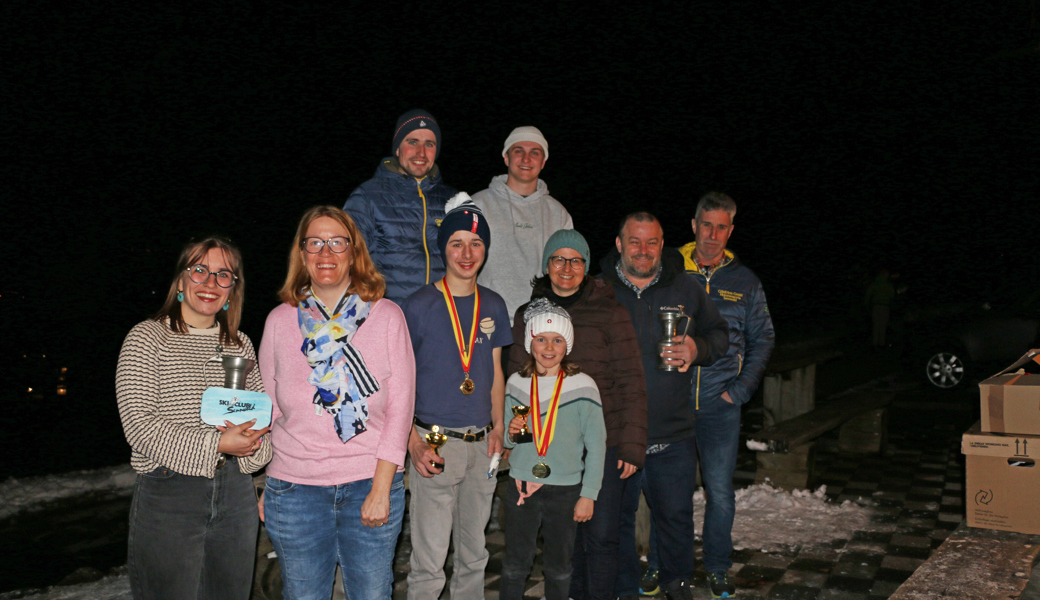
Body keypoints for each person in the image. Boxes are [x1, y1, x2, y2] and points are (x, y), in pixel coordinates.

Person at [258, 206, 416, 600]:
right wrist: (266, 483)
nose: (325, 253)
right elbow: (269, 408)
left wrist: (382, 487)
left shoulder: (387, 316)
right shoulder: (279, 321)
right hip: (294, 490)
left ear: (353, 252)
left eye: (336, 242)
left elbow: (401, 406)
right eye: (315, 242)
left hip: (369, 482)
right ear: (302, 253)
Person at [116, 236, 271, 600]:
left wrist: (254, 448)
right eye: (199, 270)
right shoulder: (147, 338)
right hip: (169, 492)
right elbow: (138, 424)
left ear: (233, 289)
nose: (210, 283)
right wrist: (216, 442)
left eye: (223, 275)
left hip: (236, 494)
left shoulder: (241, 344)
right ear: (181, 281)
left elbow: (262, 416)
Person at [507, 229, 646, 600]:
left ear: (587, 266)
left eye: (576, 260)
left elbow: (632, 378)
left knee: (600, 536)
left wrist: (632, 445)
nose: (566, 268)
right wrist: (518, 440)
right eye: (558, 259)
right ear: (546, 265)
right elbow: (517, 383)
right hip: (548, 448)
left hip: (606, 441)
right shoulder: (527, 315)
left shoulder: (610, 312)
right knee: (560, 545)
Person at [604, 212, 729, 600]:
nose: (643, 250)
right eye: (635, 241)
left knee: (675, 520)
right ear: (620, 244)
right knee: (616, 524)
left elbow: (720, 335)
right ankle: (623, 589)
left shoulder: (687, 289)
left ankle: (678, 586)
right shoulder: (598, 289)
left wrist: (697, 348)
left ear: (663, 245)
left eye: (652, 242)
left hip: (673, 432)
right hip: (617, 434)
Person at [400, 193, 511, 600]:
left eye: (476, 243)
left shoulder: (495, 305)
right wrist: (411, 436)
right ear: (443, 247)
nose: (467, 253)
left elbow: (495, 372)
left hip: (481, 443)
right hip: (435, 443)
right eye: (457, 243)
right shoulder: (418, 305)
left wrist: (499, 426)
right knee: (428, 562)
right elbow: (402, 379)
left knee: (474, 554)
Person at [680, 192, 774, 598]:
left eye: (722, 227)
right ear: (694, 225)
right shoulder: (668, 270)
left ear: (730, 230)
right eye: (707, 225)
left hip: (720, 406)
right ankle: (671, 566)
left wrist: (738, 392)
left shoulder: (745, 281)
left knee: (719, 491)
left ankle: (718, 566)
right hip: (674, 407)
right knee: (671, 491)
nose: (713, 234)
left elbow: (763, 339)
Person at [501, 299, 606, 600]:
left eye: (557, 340)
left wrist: (589, 494)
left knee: (559, 567)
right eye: (541, 339)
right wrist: (512, 435)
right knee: (514, 566)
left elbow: (597, 444)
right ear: (529, 343)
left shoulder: (583, 386)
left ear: (567, 345)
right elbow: (511, 442)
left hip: (566, 489)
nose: (549, 347)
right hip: (521, 484)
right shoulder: (517, 383)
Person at [343, 109, 457, 302]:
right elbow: (346, 261)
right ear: (397, 149)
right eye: (412, 142)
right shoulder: (367, 196)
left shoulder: (453, 200)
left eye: (429, 144)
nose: (421, 152)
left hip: (442, 315)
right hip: (388, 314)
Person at [473, 126, 573, 323]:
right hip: (486, 320)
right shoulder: (477, 205)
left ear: (543, 162)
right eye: (518, 151)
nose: (526, 159)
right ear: (506, 158)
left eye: (534, 153)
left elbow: (567, 272)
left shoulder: (559, 214)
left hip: (540, 323)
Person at [864, 268, 895, 348]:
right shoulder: (888, 285)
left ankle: (874, 344)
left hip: (876, 307)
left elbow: (868, 294)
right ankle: (881, 344)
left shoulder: (874, 284)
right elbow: (892, 296)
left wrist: (866, 304)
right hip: (885, 307)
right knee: (883, 326)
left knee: (876, 326)